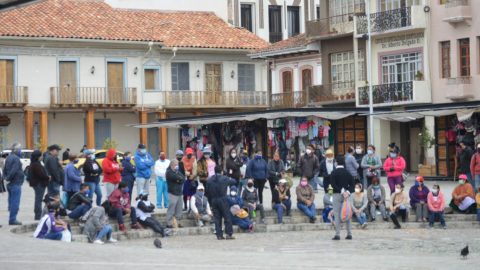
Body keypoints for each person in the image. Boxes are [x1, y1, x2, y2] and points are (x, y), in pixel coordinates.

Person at [207, 165, 237, 240]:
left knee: (217, 218)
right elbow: (234, 181)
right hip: (222, 198)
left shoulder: (210, 180)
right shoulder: (224, 178)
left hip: (213, 199)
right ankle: (228, 233)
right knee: (227, 216)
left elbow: (207, 190)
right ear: (221, 172)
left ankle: (219, 235)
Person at [330, 156, 355, 240]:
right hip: (347, 196)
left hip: (337, 194)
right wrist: (347, 191)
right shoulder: (348, 172)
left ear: (336, 163)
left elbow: (333, 185)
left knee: (337, 214)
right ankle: (349, 234)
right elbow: (352, 185)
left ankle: (337, 234)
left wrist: (341, 191)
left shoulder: (334, 172)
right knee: (348, 213)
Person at [4, 142, 24, 225]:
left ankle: (12, 218)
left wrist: (6, 178)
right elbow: (14, 170)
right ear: (17, 149)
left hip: (10, 183)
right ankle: (12, 219)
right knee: (15, 202)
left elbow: (5, 169)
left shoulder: (9, 157)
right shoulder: (16, 158)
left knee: (11, 201)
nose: (20, 150)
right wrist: (9, 178)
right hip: (15, 182)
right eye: (20, 149)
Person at [29, 150, 50, 220]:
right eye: (40, 156)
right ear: (38, 157)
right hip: (39, 184)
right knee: (39, 199)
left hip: (37, 184)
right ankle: (38, 215)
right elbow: (41, 174)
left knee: (38, 199)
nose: (41, 157)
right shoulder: (36, 164)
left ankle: (38, 214)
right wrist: (48, 177)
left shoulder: (34, 163)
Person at [166, 160, 185, 228]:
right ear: (171, 165)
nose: (177, 166)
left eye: (177, 165)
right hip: (172, 193)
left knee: (179, 209)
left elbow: (183, 178)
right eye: (175, 165)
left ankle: (178, 222)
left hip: (179, 193)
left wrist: (178, 180)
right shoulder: (169, 172)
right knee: (171, 209)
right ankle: (168, 223)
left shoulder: (178, 172)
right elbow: (175, 177)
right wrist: (178, 179)